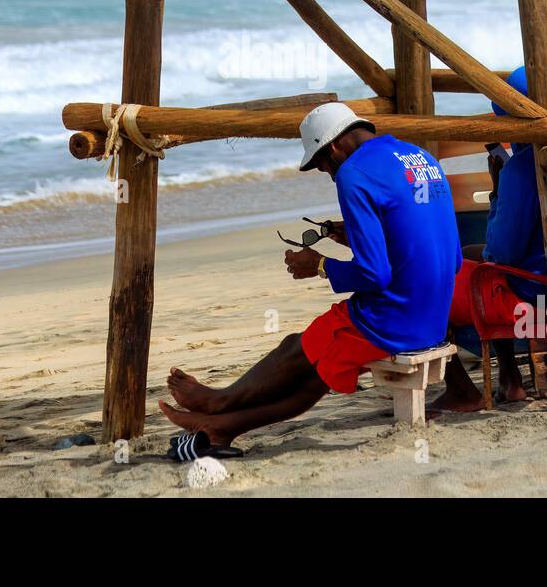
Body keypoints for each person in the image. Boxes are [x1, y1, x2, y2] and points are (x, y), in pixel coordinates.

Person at [158, 102, 461, 459]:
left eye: (321, 166)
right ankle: (224, 424)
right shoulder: (419, 156)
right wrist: (352, 234)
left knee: (297, 349)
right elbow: (447, 252)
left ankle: (218, 402)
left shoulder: (353, 173)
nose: (329, 175)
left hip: (397, 319)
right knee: (317, 364)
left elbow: (374, 274)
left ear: (332, 147)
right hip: (436, 313)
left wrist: (318, 266)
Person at [435, 66, 547, 410]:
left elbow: (501, 252)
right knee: (476, 258)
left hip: (535, 295)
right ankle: (510, 378)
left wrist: (499, 190)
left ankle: (480, 386)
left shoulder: (520, 170)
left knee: (435, 282)